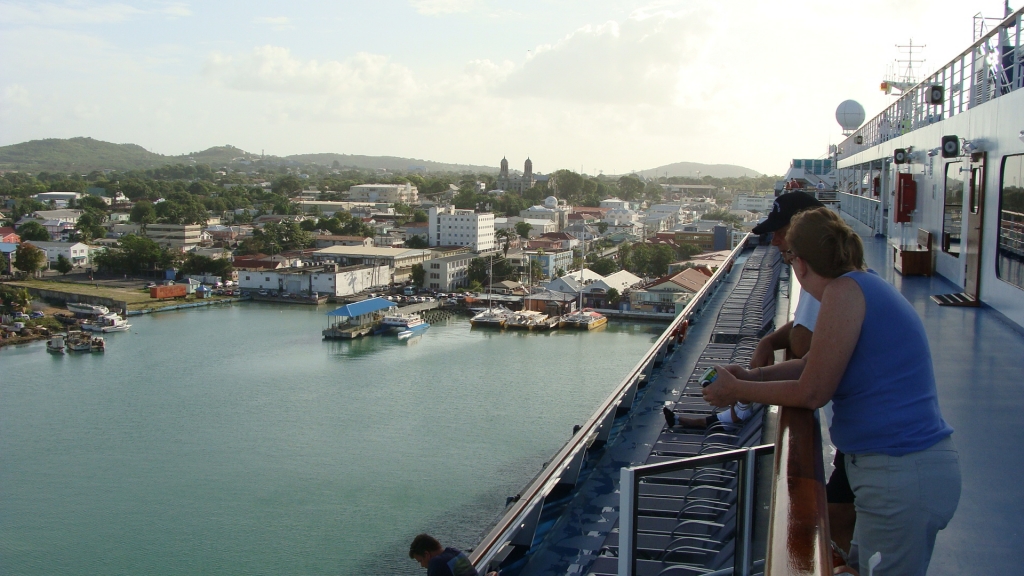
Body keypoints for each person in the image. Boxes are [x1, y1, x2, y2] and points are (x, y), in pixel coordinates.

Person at [703, 208, 961, 576]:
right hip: (903, 471)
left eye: (787, 257)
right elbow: (814, 365)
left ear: (800, 263)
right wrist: (753, 376)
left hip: (901, 474)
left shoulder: (844, 293)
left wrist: (737, 390)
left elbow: (812, 392)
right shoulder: (858, 285)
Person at [409, 534, 480, 576]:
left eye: (420, 561)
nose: (422, 565)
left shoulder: (436, 563)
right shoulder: (455, 552)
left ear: (426, 554)